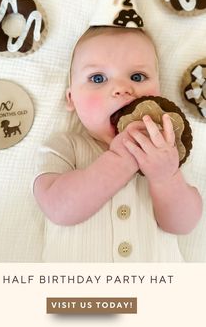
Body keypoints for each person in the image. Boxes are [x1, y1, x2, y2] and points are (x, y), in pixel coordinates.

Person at [33, 26, 202, 262]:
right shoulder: (65, 146)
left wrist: (166, 177)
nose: (122, 89)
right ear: (71, 99)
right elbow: (58, 209)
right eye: (98, 78)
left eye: (137, 77)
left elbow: (183, 225)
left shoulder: (165, 151)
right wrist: (120, 160)